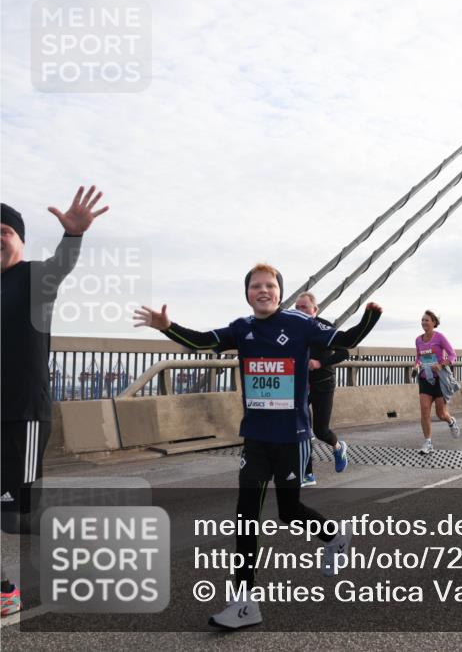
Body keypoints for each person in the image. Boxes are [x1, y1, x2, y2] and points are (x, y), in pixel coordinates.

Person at [134, 263, 381, 629]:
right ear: (247, 293)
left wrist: (369, 319)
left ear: (280, 293)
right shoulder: (242, 329)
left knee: (289, 510)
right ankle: (245, 603)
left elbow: (344, 340)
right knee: (245, 518)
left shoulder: (300, 325)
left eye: (270, 286)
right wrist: (167, 327)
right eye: (255, 286)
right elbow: (203, 341)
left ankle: (334, 535)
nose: (263, 291)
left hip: (292, 438)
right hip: (256, 439)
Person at [1, 188, 109, 618]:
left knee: (17, 518)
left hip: (22, 416)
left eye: (4, 231)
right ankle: (6, 591)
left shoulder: (33, 278)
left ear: (21, 242)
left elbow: (62, 266)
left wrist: (73, 237)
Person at [293, 292, 349, 487]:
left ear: (314, 310)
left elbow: (344, 352)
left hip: (324, 382)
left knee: (321, 429)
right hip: (300, 385)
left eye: (304, 307)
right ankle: (307, 473)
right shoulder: (291, 328)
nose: (300, 311)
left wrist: (319, 362)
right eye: (297, 308)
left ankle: (338, 446)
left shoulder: (324, 328)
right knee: (302, 428)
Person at [414, 310, 460, 454]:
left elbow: (453, 355)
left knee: (441, 414)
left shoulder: (440, 338)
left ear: (434, 323)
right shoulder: (418, 340)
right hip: (425, 379)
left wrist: (440, 365)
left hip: (440, 380)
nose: (424, 323)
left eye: (427, 320)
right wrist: (416, 366)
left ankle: (451, 421)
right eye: (422, 320)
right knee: (424, 412)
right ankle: (428, 443)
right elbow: (418, 357)